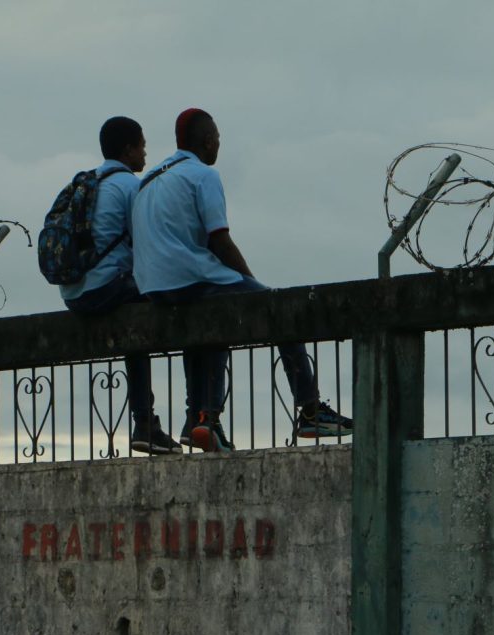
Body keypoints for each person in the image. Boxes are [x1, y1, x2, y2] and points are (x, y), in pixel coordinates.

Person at [130, 107, 353, 453]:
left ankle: (201, 420)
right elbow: (219, 240)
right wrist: (252, 287)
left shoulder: (150, 179)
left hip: (153, 286)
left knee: (207, 330)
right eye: (217, 138)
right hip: (190, 277)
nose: (218, 145)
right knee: (278, 308)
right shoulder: (203, 175)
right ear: (207, 141)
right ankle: (310, 409)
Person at [57, 116, 182, 455]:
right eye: (142, 146)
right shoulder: (129, 186)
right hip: (104, 289)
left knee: (136, 302)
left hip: (73, 292)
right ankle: (148, 421)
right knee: (161, 302)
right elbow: (150, 243)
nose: (145, 153)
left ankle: (146, 421)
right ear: (128, 150)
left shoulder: (88, 181)